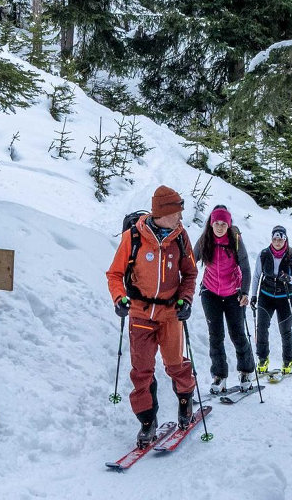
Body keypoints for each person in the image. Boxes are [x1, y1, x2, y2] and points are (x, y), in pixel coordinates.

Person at [106, 185, 198, 447]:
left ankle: (185, 404)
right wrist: (118, 297)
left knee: (175, 365)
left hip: (170, 313)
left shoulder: (181, 237)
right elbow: (114, 273)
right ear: (163, 212)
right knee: (142, 371)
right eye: (177, 212)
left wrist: (186, 299)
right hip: (140, 314)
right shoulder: (133, 237)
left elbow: (190, 273)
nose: (181, 217)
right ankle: (147, 422)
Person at [193, 205, 254, 394]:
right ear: (211, 224)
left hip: (233, 293)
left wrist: (244, 292)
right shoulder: (205, 240)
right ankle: (219, 376)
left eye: (223, 223)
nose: (219, 227)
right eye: (216, 223)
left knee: (237, 334)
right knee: (216, 335)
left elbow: (245, 268)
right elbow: (189, 261)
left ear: (229, 224)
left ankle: (246, 371)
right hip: (210, 292)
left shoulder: (235, 240)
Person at [249, 225, 292, 375]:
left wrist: (289, 278)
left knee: (285, 330)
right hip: (266, 295)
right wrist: (253, 295)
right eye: (275, 239)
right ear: (271, 239)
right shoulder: (264, 254)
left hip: (285, 297)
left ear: (285, 239)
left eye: (280, 239)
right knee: (262, 328)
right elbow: (256, 276)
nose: (277, 242)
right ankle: (263, 359)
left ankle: (288, 360)